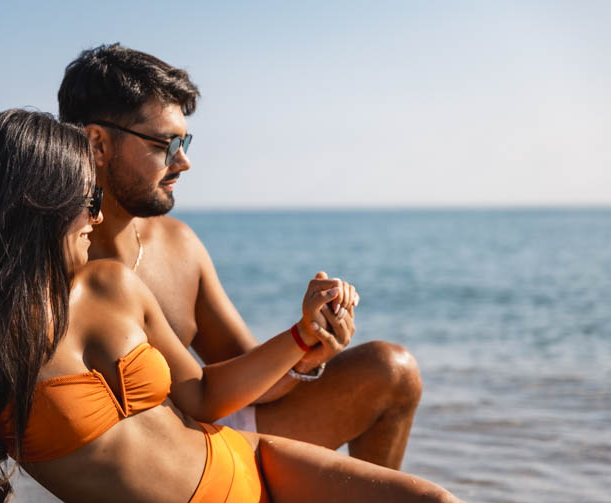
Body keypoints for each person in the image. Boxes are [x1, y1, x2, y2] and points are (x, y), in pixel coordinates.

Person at [0, 109, 513, 503]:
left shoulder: (109, 284)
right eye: (85, 198)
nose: (98, 214)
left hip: (256, 469)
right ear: (34, 206)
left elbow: (203, 394)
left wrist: (304, 335)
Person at [59, 43, 422, 467]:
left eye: (185, 141)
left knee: (392, 370)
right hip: (152, 477)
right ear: (97, 144)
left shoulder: (179, 245)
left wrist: (306, 352)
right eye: (166, 144)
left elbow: (245, 376)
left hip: (214, 439)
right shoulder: (57, 264)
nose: (185, 161)